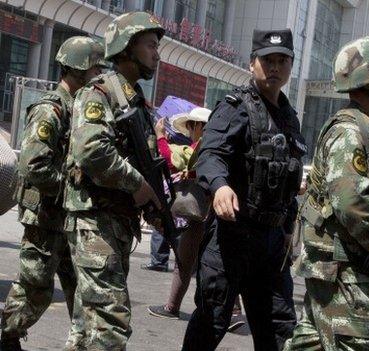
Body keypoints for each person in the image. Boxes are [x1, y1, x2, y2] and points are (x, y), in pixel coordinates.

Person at [182, 29, 306, 351]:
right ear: (253, 64)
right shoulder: (235, 106)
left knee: (279, 329)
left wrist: (289, 229)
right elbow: (211, 154)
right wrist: (220, 186)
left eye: (282, 60)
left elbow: (289, 181)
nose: (274, 67)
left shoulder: (290, 118)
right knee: (213, 319)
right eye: (267, 60)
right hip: (232, 236)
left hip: (272, 243)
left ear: (291, 66)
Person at [283, 36, 369, 351]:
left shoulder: (367, 131)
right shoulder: (351, 133)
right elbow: (350, 203)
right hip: (345, 274)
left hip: (341, 271)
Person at [62, 12, 164, 349]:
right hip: (94, 222)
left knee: (85, 328)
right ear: (126, 47)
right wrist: (139, 186)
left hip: (116, 224)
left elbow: (141, 161)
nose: (157, 53)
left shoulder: (134, 101)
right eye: (150, 45)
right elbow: (91, 151)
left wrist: (154, 207)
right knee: (110, 324)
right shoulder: (100, 92)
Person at [0, 36, 106, 351]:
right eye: (96, 67)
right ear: (79, 68)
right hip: (47, 217)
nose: (100, 74)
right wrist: (73, 189)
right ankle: (7, 337)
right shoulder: (51, 110)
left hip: (78, 219)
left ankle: (82, 341)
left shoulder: (83, 109)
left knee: (92, 285)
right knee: (35, 288)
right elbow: (33, 166)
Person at [147, 106, 211, 319]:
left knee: (187, 263)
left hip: (202, 215)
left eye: (192, 126)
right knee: (201, 263)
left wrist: (160, 137)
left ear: (200, 127)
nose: (190, 130)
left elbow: (169, 158)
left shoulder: (202, 148)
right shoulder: (213, 149)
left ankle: (172, 307)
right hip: (206, 214)